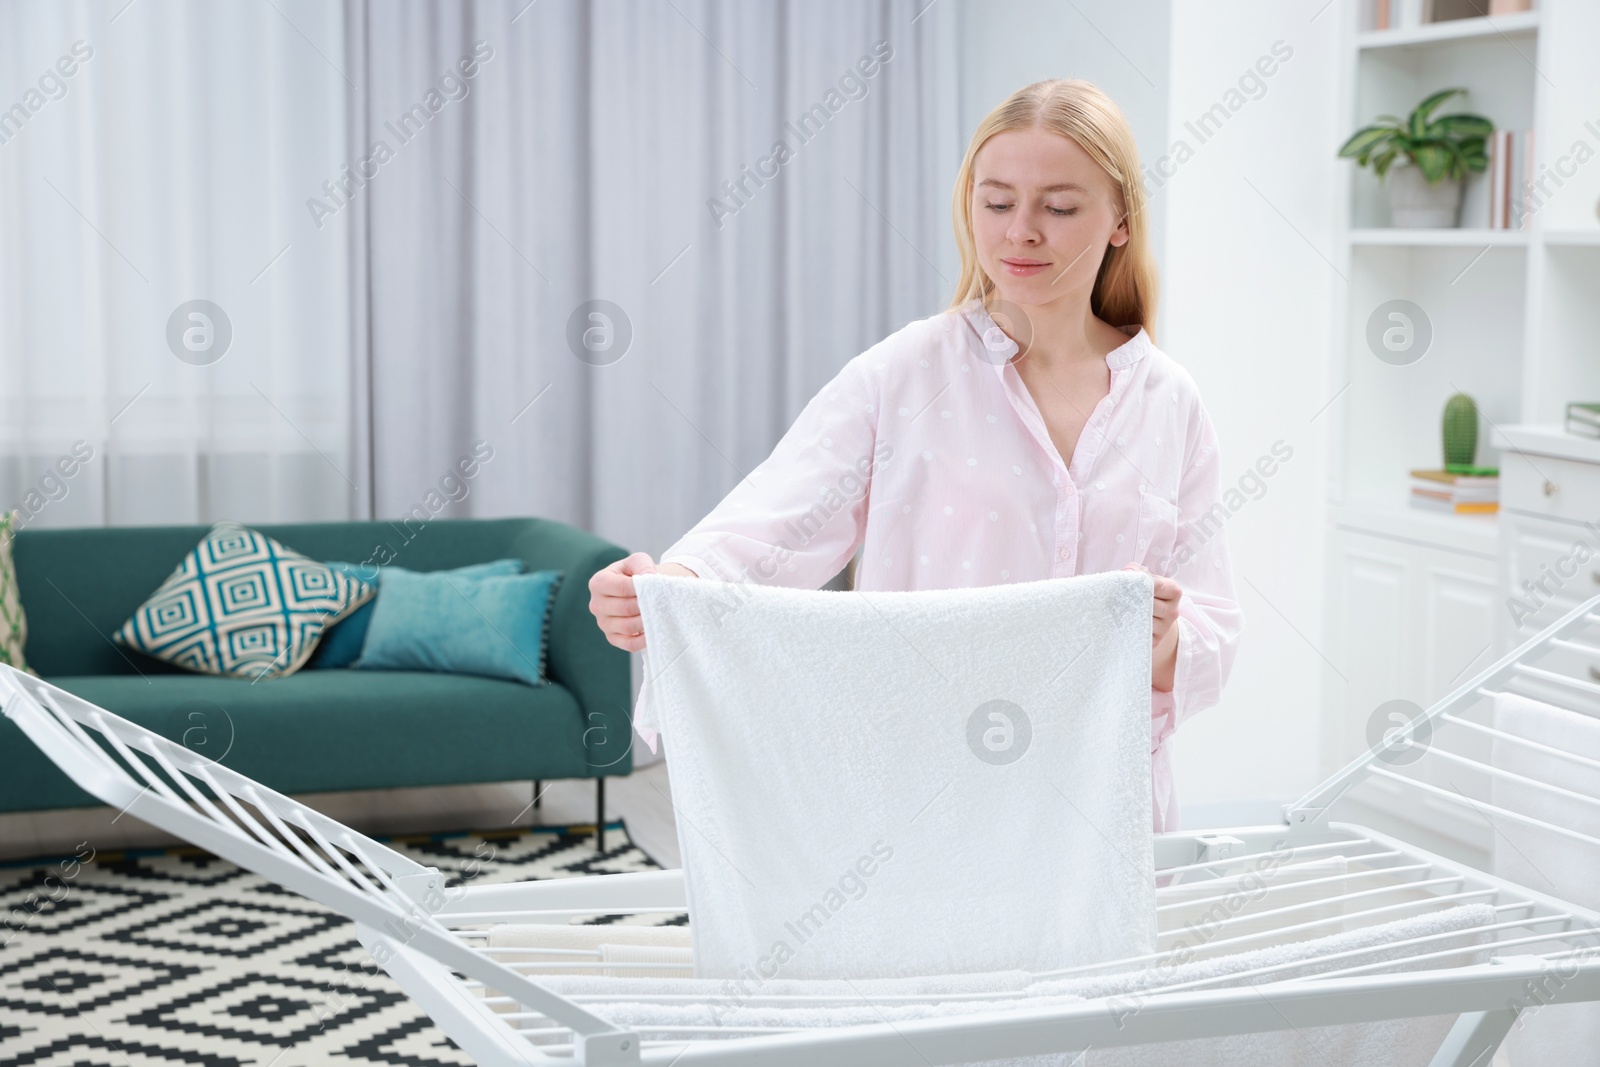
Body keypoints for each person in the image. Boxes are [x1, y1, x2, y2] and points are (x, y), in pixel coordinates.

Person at [589, 78, 1242, 832]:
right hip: (928, 794)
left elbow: (1214, 630)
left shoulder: (1171, 403)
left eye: (1058, 207)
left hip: (1102, 807)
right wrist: (666, 589)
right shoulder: (905, 375)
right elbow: (772, 522)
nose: (1020, 231)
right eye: (996, 202)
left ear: (1121, 219)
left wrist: (1160, 636)